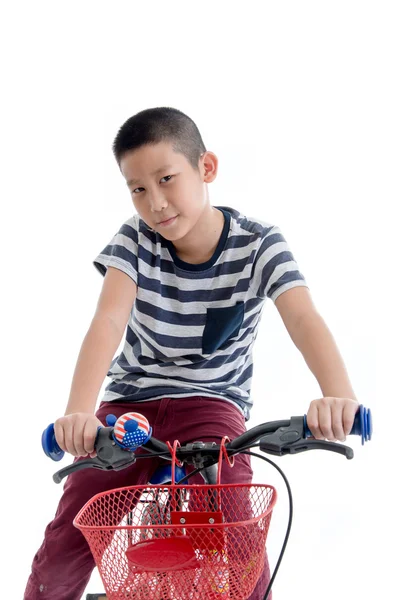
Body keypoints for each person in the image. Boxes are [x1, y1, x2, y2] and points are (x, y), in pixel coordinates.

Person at [24, 107, 359, 600]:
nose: (155, 203)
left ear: (206, 169)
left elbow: (303, 319)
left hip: (212, 406)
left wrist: (339, 397)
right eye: (138, 189)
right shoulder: (135, 240)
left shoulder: (260, 245)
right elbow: (109, 321)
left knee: (238, 526)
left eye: (166, 179)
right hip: (129, 404)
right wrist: (78, 412)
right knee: (73, 533)